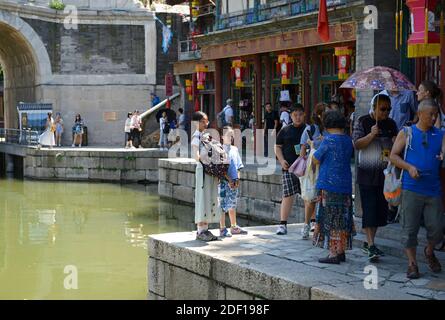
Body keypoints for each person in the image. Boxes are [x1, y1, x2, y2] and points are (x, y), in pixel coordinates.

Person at [390, 99, 445, 279]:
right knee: (409, 228)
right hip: (411, 188)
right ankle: (412, 263)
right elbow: (393, 156)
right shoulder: (407, 133)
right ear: (420, 114)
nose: (434, 117)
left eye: (436, 114)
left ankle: (429, 251)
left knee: (437, 228)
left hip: (433, 189)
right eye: (431, 114)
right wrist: (409, 167)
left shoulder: (440, 134)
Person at [353, 94, 398, 260]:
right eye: (383, 109)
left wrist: (395, 141)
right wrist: (371, 135)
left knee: (380, 211)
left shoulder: (391, 124)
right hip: (366, 173)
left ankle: (370, 242)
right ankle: (371, 244)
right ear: (374, 108)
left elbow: (395, 145)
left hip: (385, 174)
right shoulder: (363, 121)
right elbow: (357, 144)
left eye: (388, 109)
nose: (386, 112)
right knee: (369, 210)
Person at [312, 110, 355, 264]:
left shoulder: (328, 140)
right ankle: (341, 250)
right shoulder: (348, 140)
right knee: (342, 218)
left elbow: (317, 159)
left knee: (331, 219)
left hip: (329, 184)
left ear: (327, 125)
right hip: (345, 185)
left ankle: (333, 253)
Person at [275, 104, 307, 235]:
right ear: (291, 116)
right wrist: (282, 160)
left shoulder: (309, 129)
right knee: (287, 195)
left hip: (306, 168)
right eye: (295, 115)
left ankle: (311, 222)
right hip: (288, 167)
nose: (298, 117)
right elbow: (277, 147)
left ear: (304, 115)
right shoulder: (285, 130)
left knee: (308, 196)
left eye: (300, 114)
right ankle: (283, 224)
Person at [192, 111, 222, 241]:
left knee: (210, 197)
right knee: (203, 197)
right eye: (203, 121)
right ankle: (200, 230)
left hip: (208, 170)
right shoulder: (196, 137)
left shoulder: (205, 136)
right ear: (196, 123)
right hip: (203, 169)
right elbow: (196, 155)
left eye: (206, 121)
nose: (206, 124)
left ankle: (206, 228)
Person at [299, 102, 327, 239]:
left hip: (327, 165)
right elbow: (302, 149)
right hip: (312, 167)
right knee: (311, 197)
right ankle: (306, 224)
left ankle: (319, 226)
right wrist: (302, 164)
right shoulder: (310, 129)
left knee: (324, 197)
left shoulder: (331, 129)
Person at [219, 126, 248, 237]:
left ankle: (233, 226)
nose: (230, 138)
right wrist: (229, 179)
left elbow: (238, 166)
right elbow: (220, 168)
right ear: (222, 137)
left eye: (231, 136)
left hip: (234, 181)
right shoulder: (220, 149)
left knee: (232, 204)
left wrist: (237, 178)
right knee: (222, 205)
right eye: (228, 135)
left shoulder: (234, 149)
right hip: (223, 182)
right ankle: (222, 228)